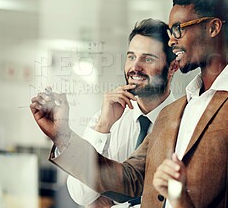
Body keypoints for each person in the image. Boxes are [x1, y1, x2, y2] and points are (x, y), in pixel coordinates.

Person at [31, 0, 228, 208]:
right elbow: (131, 178)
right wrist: (62, 136)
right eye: (131, 56)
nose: (172, 40)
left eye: (178, 29)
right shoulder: (172, 114)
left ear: (213, 28)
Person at [71, 18, 178, 207]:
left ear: (173, 67)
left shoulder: (185, 121)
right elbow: (80, 195)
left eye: (148, 59)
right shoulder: (105, 119)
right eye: (131, 57)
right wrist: (103, 126)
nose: (135, 67)